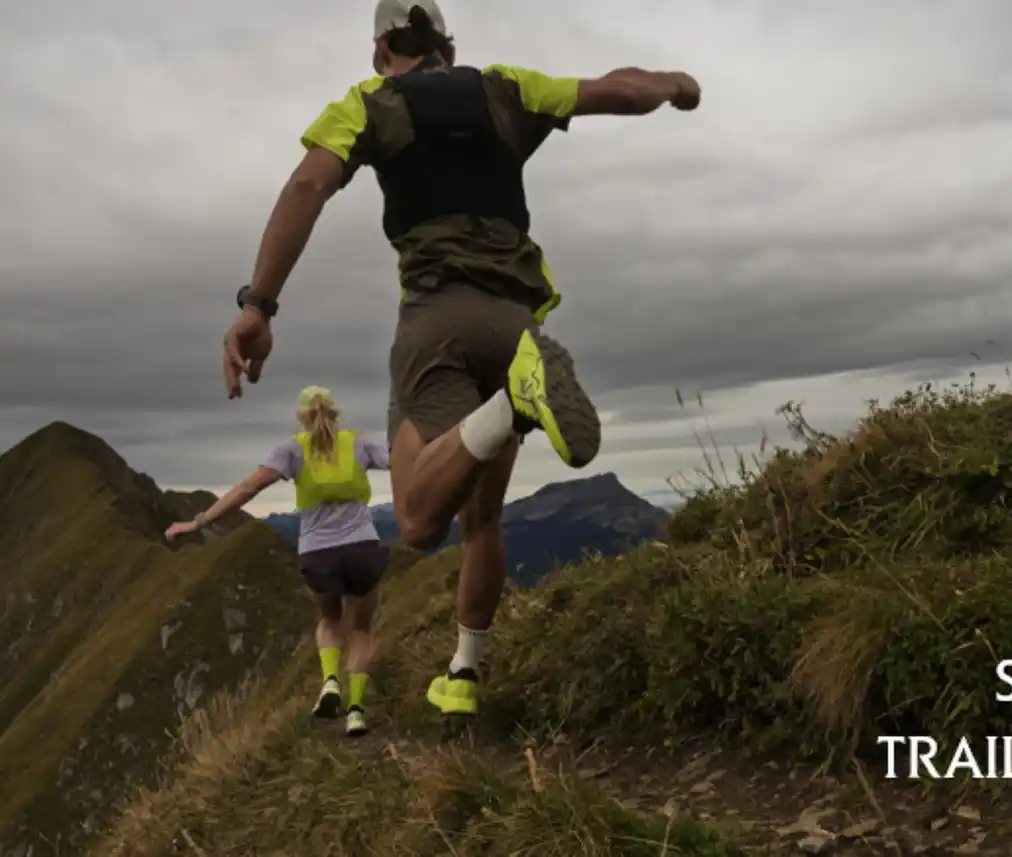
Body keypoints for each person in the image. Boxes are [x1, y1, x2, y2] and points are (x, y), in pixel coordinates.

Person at [218, 0, 701, 718]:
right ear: (448, 44)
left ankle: (513, 404)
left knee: (418, 519)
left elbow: (308, 185)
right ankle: (464, 675)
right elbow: (615, 90)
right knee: (483, 519)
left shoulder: (368, 103)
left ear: (381, 50)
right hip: (517, 326)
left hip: (438, 322)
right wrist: (673, 85)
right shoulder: (505, 88)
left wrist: (258, 304)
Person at [165, 387, 391, 737]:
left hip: (318, 554)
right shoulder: (359, 443)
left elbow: (247, 488)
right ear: (335, 413)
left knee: (329, 620)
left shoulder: (291, 450)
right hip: (362, 547)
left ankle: (331, 681)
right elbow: (405, 461)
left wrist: (198, 522)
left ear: (301, 417)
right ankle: (357, 712)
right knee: (361, 628)